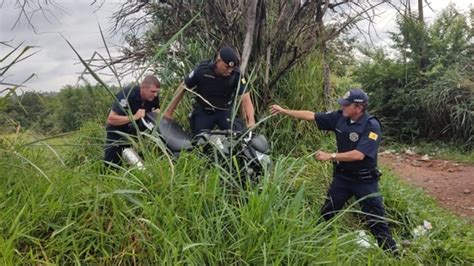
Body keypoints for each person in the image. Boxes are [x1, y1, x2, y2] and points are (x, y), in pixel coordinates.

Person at [270, 88, 397, 252]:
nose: (342, 107)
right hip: (343, 178)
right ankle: (314, 247)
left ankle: (393, 254)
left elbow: (358, 155)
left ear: (358, 108)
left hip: (365, 181)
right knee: (326, 213)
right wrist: (284, 111)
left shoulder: (371, 125)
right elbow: (311, 116)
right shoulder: (340, 117)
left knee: (376, 220)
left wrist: (330, 156)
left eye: (346, 104)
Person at [163, 46, 255, 136]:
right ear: (218, 61)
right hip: (204, 111)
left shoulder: (236, 75)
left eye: (232, 68)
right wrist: (168, 112)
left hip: (224, 111)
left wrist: (251, 121)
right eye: (227, 67)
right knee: (199, 141)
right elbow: (182, 88)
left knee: (238, 136)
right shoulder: (202, 70)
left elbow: (246, 99)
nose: (229, 70)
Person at [104, 75, 160, 166]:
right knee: (112, 165)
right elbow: (111, 119)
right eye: (153, 91)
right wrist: (134, 117)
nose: (155, 95)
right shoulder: (127, 93)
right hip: (117, 134)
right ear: (143, 87)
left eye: (157, 92)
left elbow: (155, 113)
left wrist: (157, 115)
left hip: (137, 136)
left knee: (139, 166)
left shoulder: (153, 98)